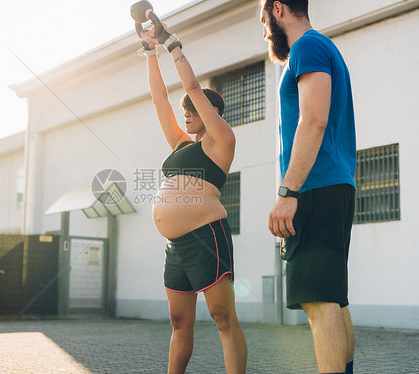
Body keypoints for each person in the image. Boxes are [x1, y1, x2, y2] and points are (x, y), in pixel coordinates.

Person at [137, 20, 247, 374]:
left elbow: (193, 85)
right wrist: (149, 50)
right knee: (179, 322)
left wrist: (172, 45)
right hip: (175, 246)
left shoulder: (221, 142)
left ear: (212, 114)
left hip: (206, 237)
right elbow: (158, 99)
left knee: (222, 318)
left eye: (191, 107)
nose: (185, 111)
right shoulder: (182, 144)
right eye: (183, 107)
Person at [260, 1, 357, 373]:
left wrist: (288, 192)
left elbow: (314, 120)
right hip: (330, 186)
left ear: (279, 9)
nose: (264, 31)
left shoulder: (307, 46)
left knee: (319, 303)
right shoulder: (320, 47)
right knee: (333, 299)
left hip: (315, 189)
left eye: (263, 20)